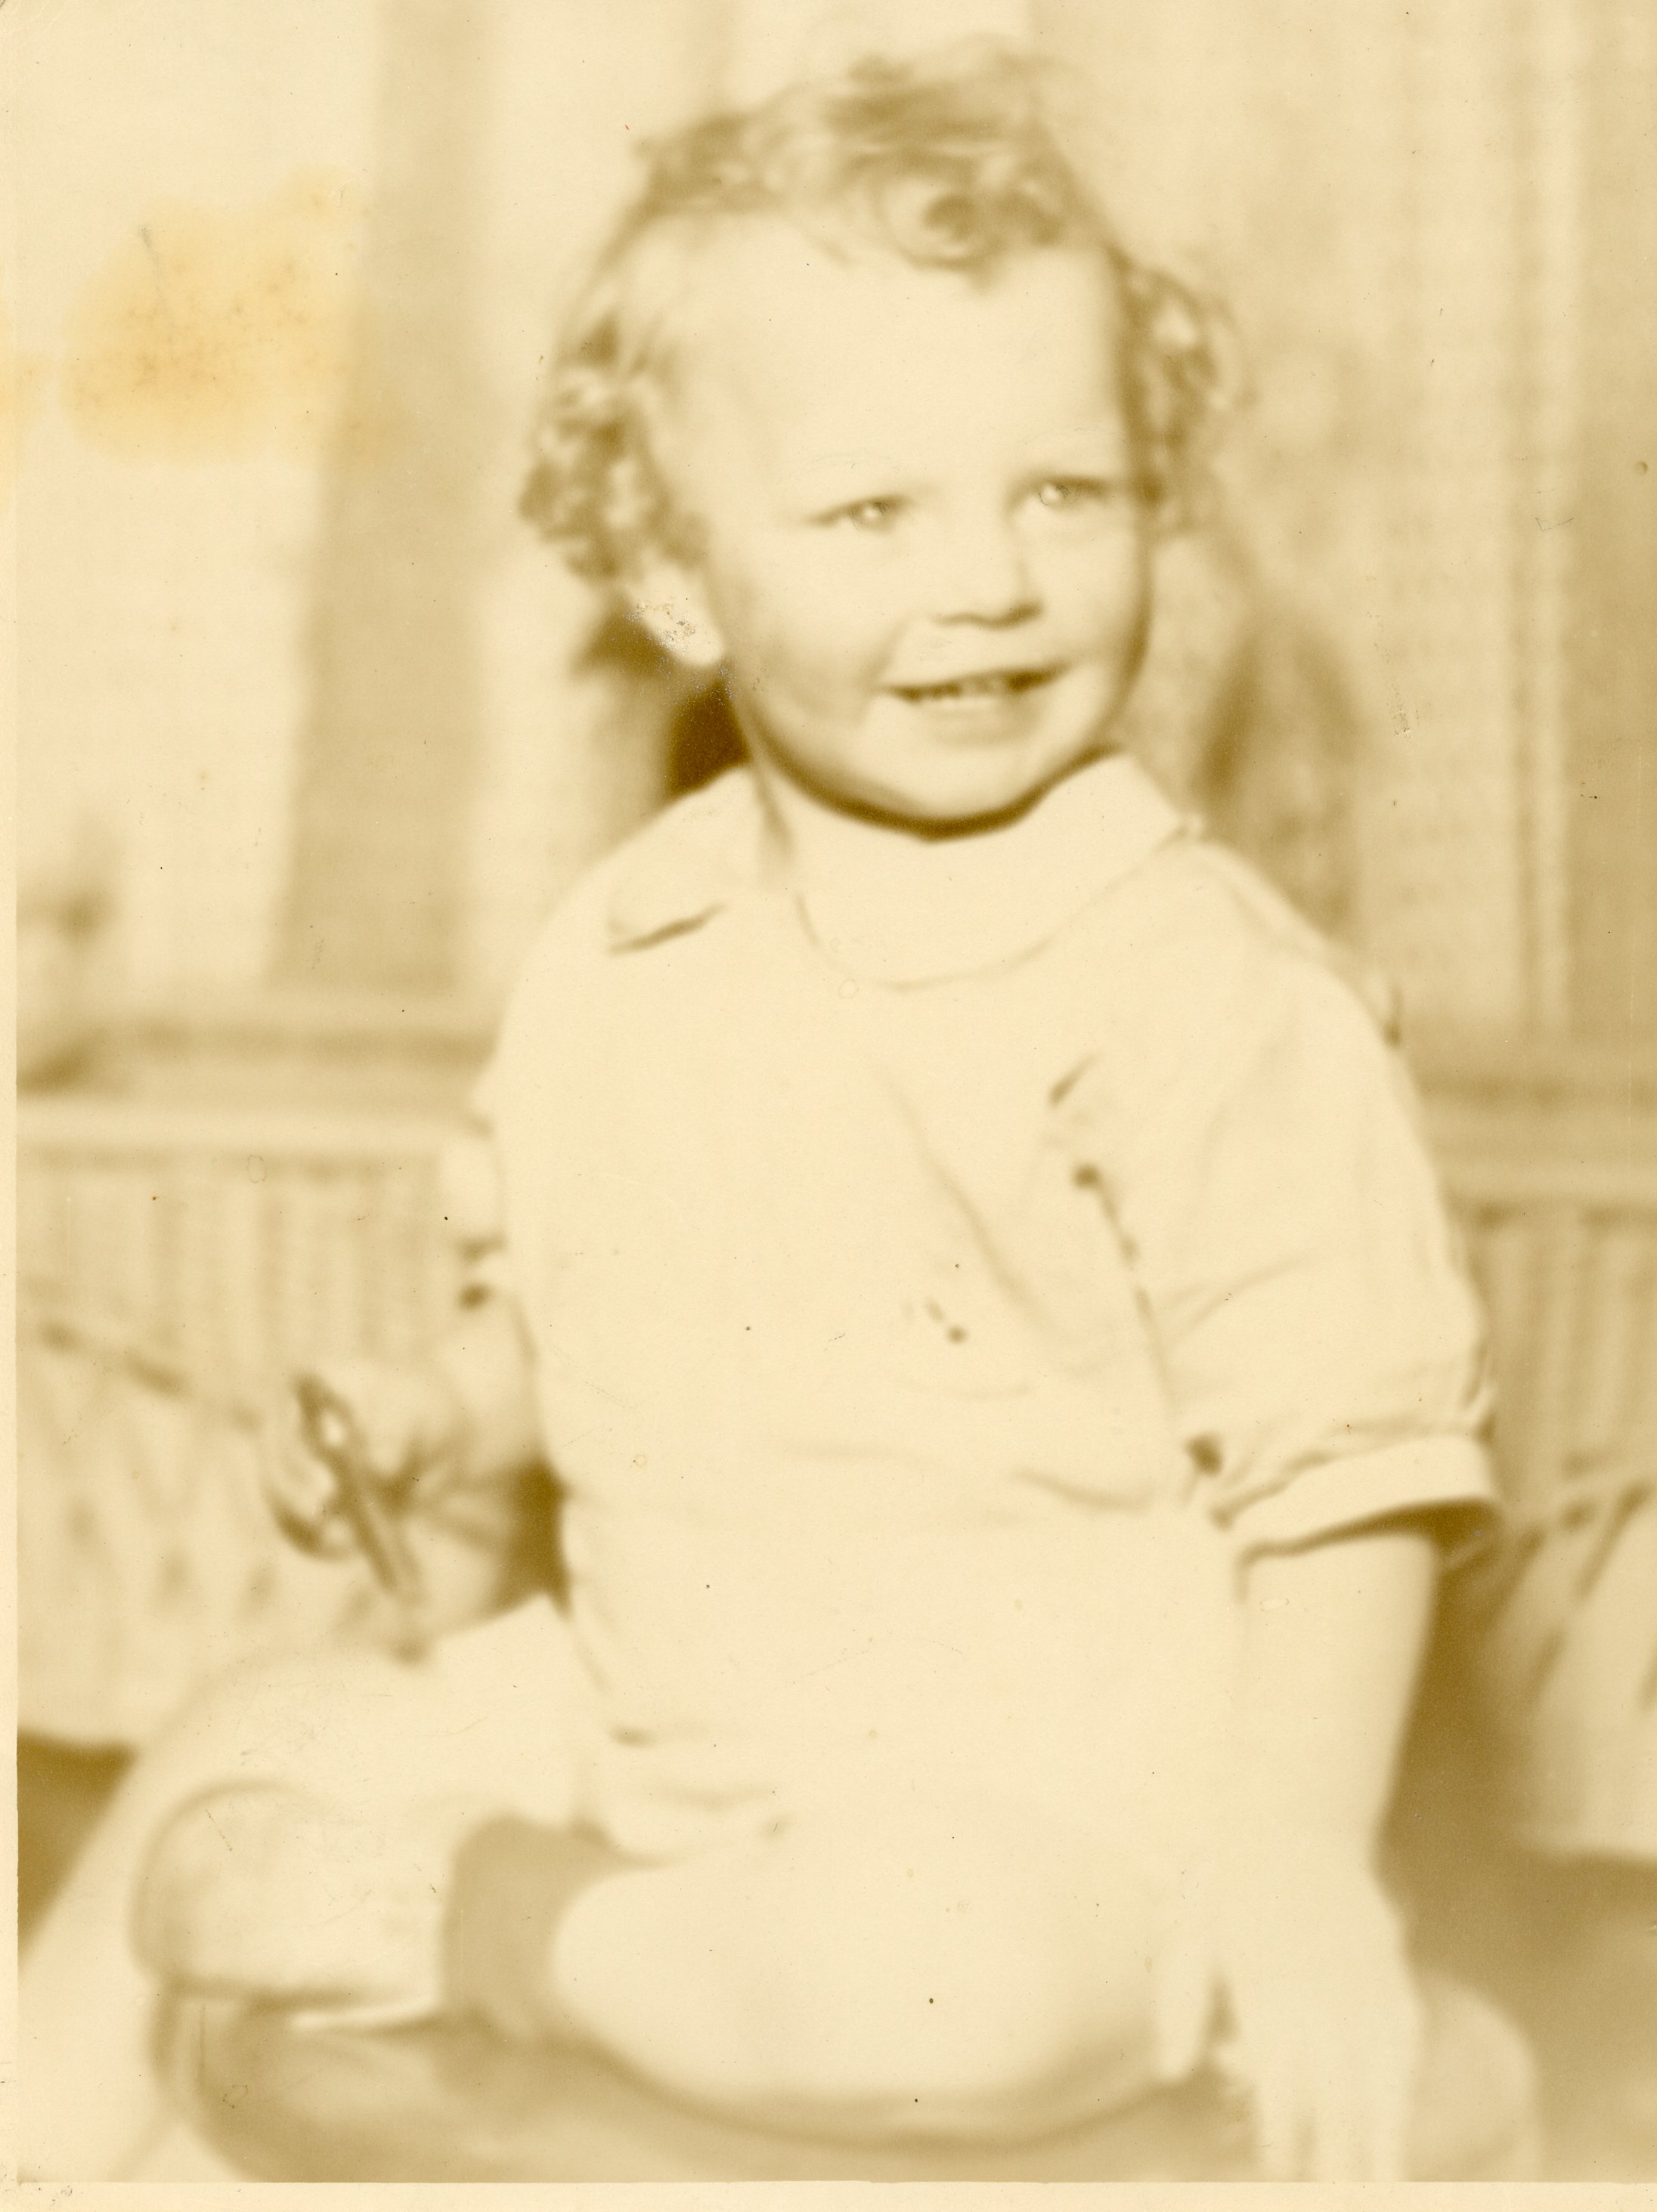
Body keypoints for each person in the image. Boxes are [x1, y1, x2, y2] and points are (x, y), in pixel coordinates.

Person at [20, 45, 1513, 2182]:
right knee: (252, 1728)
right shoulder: (627, 949)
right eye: (875, 512)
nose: (992, 578)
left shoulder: (1205, 995)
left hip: (1051, 1825)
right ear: (681, 583)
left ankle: (471, 1922)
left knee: (936, 1983)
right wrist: (446, 1406)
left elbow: (1350, 1479)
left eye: (1064, 491)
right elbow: (604, 1322)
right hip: (652, 1738)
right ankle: (38, 2147)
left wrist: (1293, 1872)